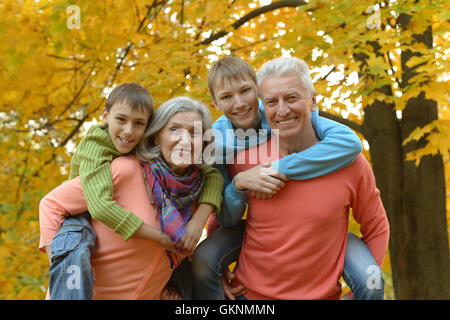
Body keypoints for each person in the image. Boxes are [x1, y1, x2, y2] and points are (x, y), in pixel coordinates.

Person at [191, 56, 386, 300]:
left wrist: (364, 290)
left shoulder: (351, 163)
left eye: (292, 98)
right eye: (272, 101)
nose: (282, 110)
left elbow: (377, 227)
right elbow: (221, 220)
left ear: (313, 100)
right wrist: (218, 272)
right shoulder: (242, 157)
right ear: (264, 105)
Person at [39, 96, 223, 299]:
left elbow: (171, 254)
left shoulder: (198, 193)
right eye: (174, 129)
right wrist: (62, 269)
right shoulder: (126, 169)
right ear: (156, 136)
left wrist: (173, 286)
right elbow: (51, 204)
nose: (185, 140)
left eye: (194, 132)